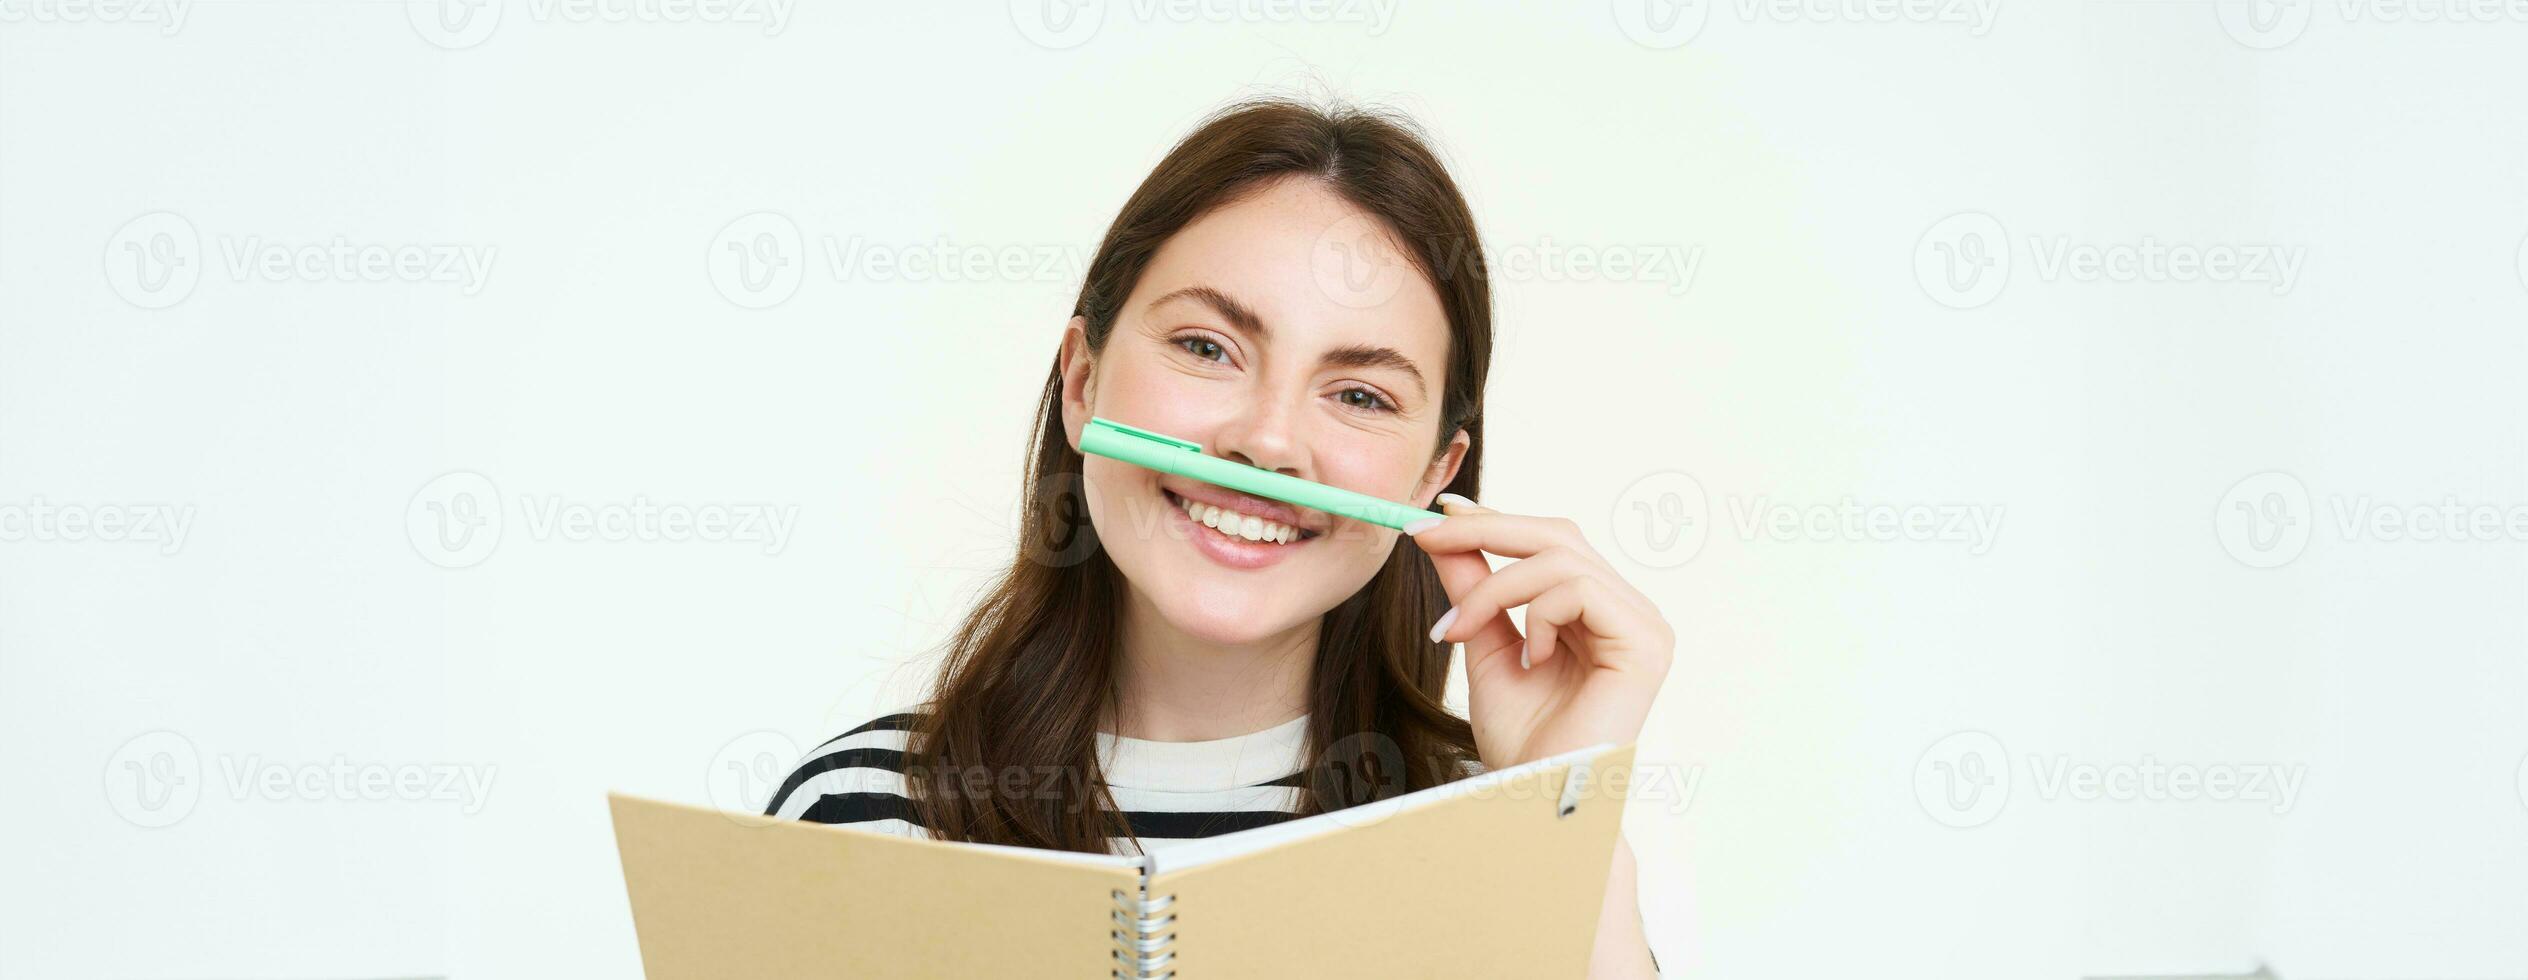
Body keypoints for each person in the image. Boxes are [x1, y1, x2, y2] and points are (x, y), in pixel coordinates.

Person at [763, 97, 1672, 977]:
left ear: (1434, 477)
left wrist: (1566, 810)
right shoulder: (861, 819)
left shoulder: (1513, 840)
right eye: (1207, 348)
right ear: (1082, 384)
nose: (1268, 442)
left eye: (1360, 395)